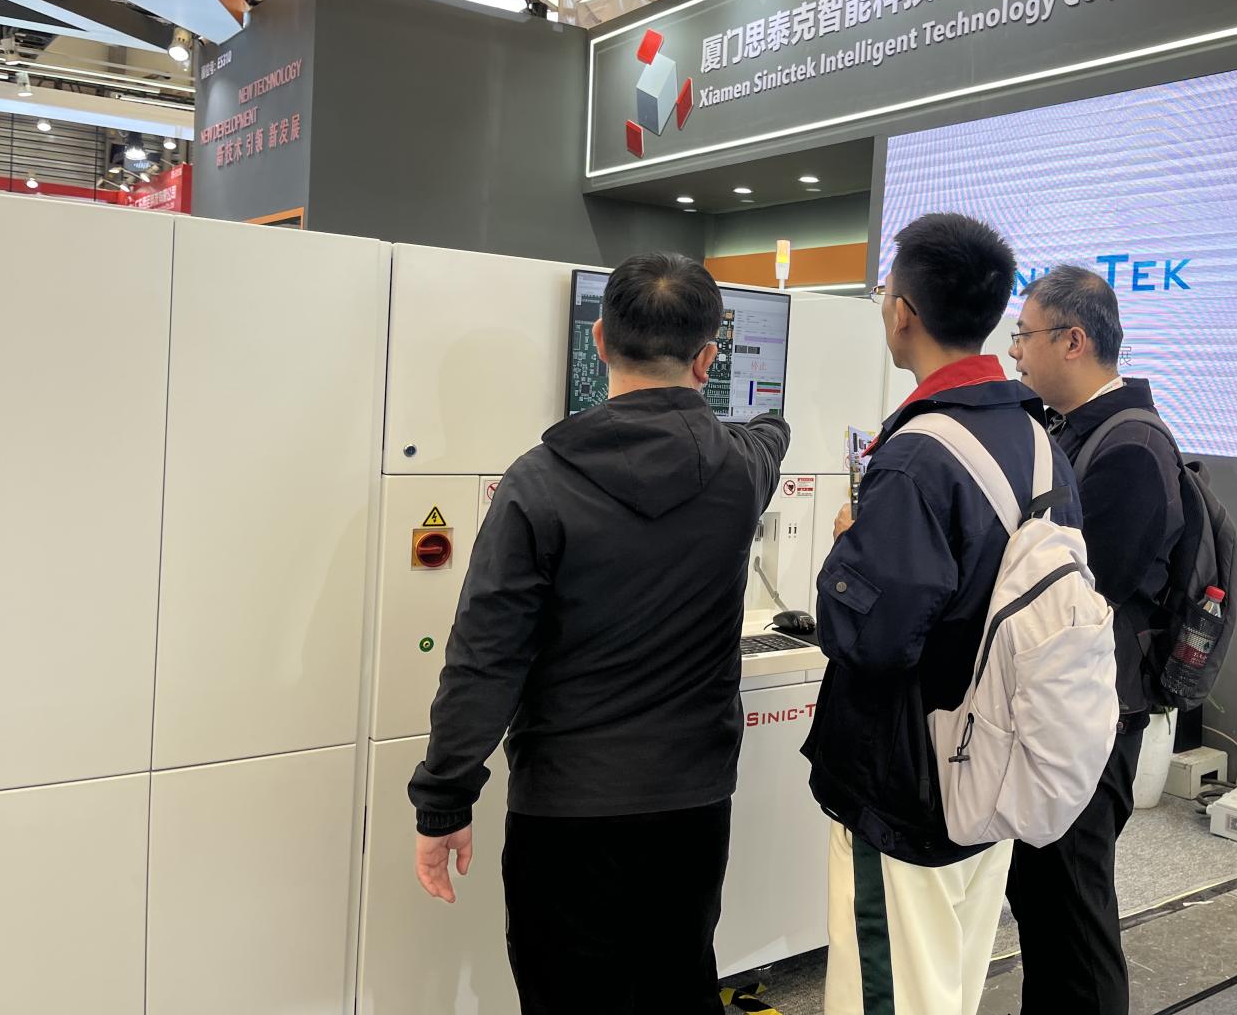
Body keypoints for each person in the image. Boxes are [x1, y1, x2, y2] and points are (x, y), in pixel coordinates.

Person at [408, 253, 790, 1015]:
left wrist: (444, 799)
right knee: (677, 990)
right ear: (708, 358)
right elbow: (774, 428)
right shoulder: (743, 469)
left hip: (566, 814)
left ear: (599, 340)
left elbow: (485, 660)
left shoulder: (537, 483)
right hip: (692, 806)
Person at [805, 212, 1081, 1015]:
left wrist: (847, 555)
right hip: (990, 768)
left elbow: (870, 638)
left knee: (890, 994)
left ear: (904, 312)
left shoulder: (918, 457)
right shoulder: (1042, 444)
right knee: (949, 989)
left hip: (903, 789)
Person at [1006, 265, 1185, 1014]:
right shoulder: (1076, 433)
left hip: (1094, 716)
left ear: (1073, 340)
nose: (1015, 351)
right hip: (1065, 708)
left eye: (1024, 335)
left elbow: (1085, 592)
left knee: (1075, 917)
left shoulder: (1131, 448)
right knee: (1045, 904)